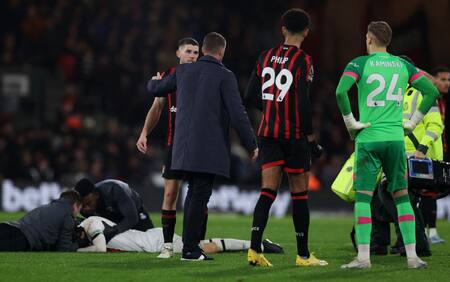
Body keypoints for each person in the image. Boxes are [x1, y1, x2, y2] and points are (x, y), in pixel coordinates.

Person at [336, 21, 439, 269]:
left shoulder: (359, 63)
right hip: (395, 140)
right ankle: (413, 257)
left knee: (363, 197)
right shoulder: (403, 65)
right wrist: (413, 123)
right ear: (389, 41)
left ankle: (363, 258)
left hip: (369, 139)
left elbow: (341, 92)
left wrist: (351, 123)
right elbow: (432, 92)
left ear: (369, 38)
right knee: (402, 196)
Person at [147, 32, 258, 261]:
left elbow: (155, 89)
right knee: (199, 195)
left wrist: (154, 81)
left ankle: (190, 246)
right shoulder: (225, 76)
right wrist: (251, 143)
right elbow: (238, 114)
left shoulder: (183, 71)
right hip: (208, 149)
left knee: (192, 196)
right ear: (222, 51)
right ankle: (189, 249)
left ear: (204, 49)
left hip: (182, 148)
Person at [244, 8, 326, 268]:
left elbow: (249, 97)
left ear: (282, 30)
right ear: (306, 32)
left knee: (267, 191)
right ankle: (303, 256)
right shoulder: (304, 60)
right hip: (293, 136)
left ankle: (254, 250)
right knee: (299, 195)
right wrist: (311, 139)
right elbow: (303, 102)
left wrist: (270, 109)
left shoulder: (264, 56)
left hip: (267, 134)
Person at [136, 37, 202, 259]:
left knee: (199, 195)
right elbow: (157, 108)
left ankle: (196, 243)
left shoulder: (204, 76)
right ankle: (167, 246)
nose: (193, 56)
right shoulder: (167, 78)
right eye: (189, 52)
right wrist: (144, 132)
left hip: (198, 145)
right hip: (174, 145)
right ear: (178, 53)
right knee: (170, 194)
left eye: (196, 52)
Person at [76, 216, 283, 255]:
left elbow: (100, 248)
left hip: (155, 242)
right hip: (151, 238)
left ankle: (259, 245)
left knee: (206, 246)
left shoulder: (92, 223)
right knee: (204, 244)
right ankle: (258, 244)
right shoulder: (92, 222)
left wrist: (76, 249)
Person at [419, 66, 450, 244]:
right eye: (443, 79)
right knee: (425, 193)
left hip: (437, 150)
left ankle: (430, 232)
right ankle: (426, 232)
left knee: (431, 193)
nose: (446, 83)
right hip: (426, 151)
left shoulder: (441, 101)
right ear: (433, 80)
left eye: (448, 80)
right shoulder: (428, 98)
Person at [74, 178, 154, 242]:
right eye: (83, 205)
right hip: (112, 216)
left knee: (151, 240)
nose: (86, 207)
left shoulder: (114, 191)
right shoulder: (83, 207)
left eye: (88, 203)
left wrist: (114, 231)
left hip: (136, 211)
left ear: (96, 195)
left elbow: (132, 218)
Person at [0, 190, 82, 252]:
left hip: (10, 226)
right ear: (75, 205)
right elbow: (63, 249)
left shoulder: (48, 206)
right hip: (22, 239)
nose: (78, 213)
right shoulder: (67, 216)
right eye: (79, 209)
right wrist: (79, 244)